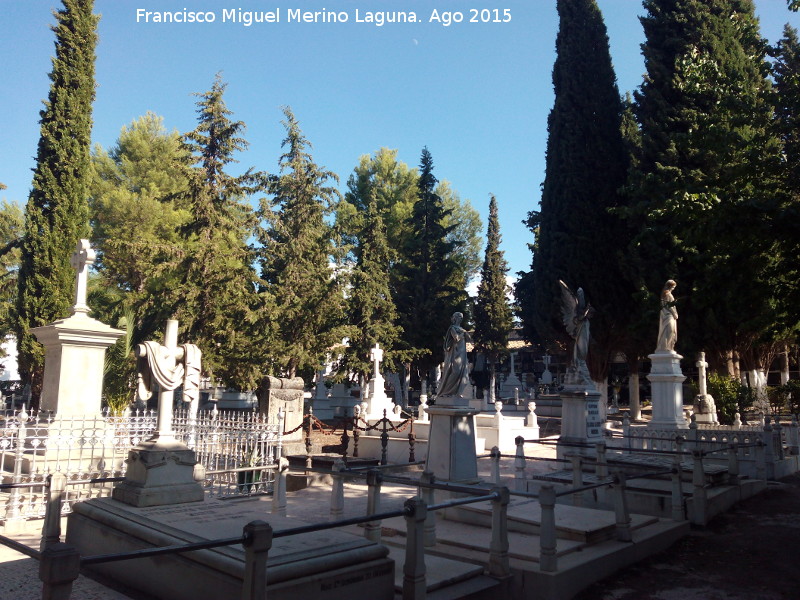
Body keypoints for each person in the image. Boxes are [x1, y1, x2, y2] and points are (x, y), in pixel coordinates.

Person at [438, 312, 471, 397]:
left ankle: (457, 392)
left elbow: (470, 340)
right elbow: (456, 338)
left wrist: (466, 333)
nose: (461, 318)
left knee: (463, 374)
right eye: (459, 317)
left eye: (461, 317)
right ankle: (446, 391)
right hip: (455, 353)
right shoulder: (452, 328)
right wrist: (463, 333)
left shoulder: (462, 329)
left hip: (462, 354)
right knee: (455, 372)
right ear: (455, 318)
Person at [656, 280, 678, 352]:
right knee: (668, 331)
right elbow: (669, 306)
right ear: (669, 286)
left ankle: (669, 347)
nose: (673, 288)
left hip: (669, 315)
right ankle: (665, 347)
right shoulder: (667, 294)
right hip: (668, 315)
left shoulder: (668, 294)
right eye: (673, 287)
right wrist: (674, 314)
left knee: (671, 331)